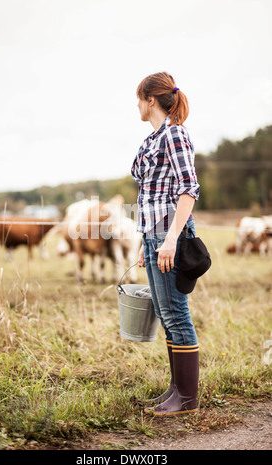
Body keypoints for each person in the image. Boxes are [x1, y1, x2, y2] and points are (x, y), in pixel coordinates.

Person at [131, 72, 200, 416]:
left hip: (168, 235)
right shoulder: (152, 139)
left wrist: (171, 238)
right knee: (165, 314)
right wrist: (144, 243)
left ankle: (187, 399)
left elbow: (188, 189)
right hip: (153, 236)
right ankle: (176, 390)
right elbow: (148, 194)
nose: (137, 105)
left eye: (139, 99)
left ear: (151, 100)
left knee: (176, 313)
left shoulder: (174, 135)